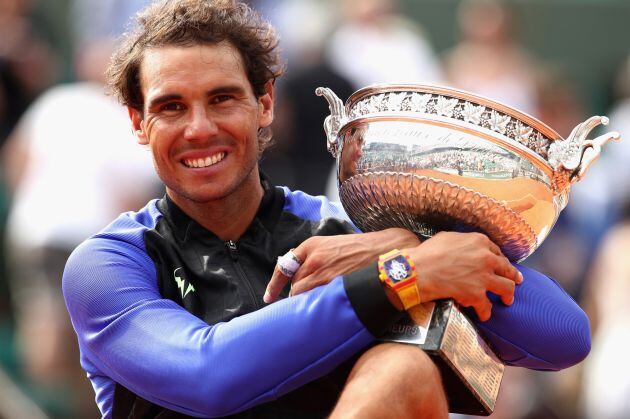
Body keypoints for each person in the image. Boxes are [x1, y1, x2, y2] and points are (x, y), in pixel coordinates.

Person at [62, 1, 591, 418]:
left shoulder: (345, 232)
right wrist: (404, 277)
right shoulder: (108, 264)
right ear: (137, 122)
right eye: (171, 106)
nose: (199, 128)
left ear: (265, 102)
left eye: (222, 98)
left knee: (404, 372)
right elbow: (207, 375)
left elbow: (563, 336)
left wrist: (408, 243)